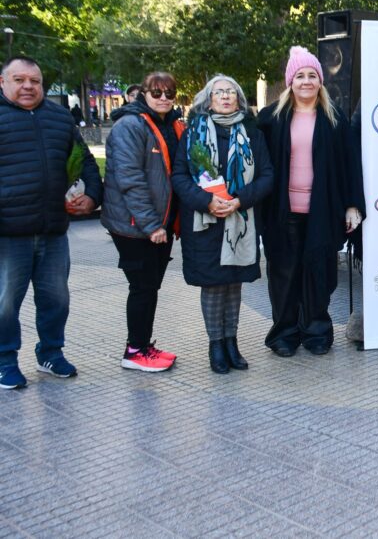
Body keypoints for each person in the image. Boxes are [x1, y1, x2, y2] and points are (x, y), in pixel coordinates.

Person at [0, 56, 101, 389]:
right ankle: (4, 360)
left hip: (53, 230)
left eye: (35, 81)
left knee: (56, 299)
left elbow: (84, 161)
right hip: (8, 233)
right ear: (3, 82)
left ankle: (50, 353)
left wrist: (92, 196)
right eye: (19, 80)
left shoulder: (60, 118)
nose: (28, 86)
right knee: (4, 303)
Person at [257, 46, 363, 357]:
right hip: (282, 212)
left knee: (319, 274)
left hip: (323, 212)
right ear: (290, 81)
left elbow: (350, 164)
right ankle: (284, 334)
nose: (306, 81)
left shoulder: (334, 118)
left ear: (320, 81)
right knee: (284, 275)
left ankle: (317, 332)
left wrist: (353, 205)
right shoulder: (270, 119)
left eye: (312, 75)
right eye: (300, 75)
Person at [172, 75, 274, 373]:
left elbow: (267, 175)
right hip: (206, 222)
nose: (226, 96)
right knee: (214, 285)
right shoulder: (192, 133)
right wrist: (207, 201)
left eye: (231, 92)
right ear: (209, 100)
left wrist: (240, 200)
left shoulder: (253, 133)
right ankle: (216, 344)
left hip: (240, 220)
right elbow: (179, 176)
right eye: (219, 92)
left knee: (233, 285)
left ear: (239, 100)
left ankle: (232, 342)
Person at [102, 72, 184, 372]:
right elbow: (130, 180)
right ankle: (135, 351)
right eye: (156, 92)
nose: (163, 98)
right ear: (143, 94)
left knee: (149, 287)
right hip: (136, 227)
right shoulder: (130, 125)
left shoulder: (171, 125)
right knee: (142, 287)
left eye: (169, 93)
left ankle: (143, 345)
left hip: (160, 224)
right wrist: (152, 226)